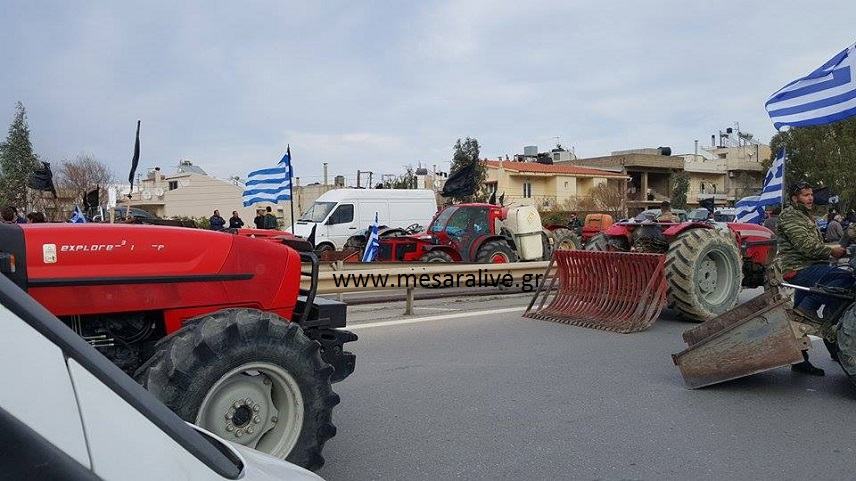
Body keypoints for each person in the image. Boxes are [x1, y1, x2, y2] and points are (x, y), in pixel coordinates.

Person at [778, 181, 852, 376]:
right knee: (845, 279)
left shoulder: (805, 215)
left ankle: (801, 360)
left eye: (811, 194)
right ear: (795, 198)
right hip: (799, 270)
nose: (810, 198)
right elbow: (807, 246)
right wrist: (833, 251)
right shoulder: (791, 216)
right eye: (805, 195)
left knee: (798, 319)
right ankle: (809, 310)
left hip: (811, 267)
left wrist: (844, 241)